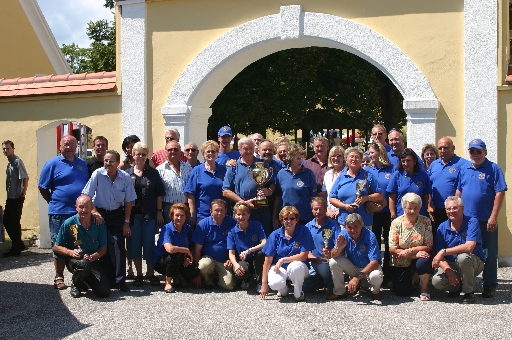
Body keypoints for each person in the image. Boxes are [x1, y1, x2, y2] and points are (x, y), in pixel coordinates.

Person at [456, 139, 506, 298]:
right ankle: (463, 284)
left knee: (490, 253)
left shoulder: (493, 168)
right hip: (468, 221)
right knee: (465, 252)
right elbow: (458, 192)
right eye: (472, 151)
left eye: (479, 151)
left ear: (485, 152)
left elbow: (500, 192)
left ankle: (489, 285)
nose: (475, 154)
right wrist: (458, 214)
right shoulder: (464, 168)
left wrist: (493, 216)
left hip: (486, 219)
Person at [38, 135, 90, 290]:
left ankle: (79, 276)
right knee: (59, 244)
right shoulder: (52, 164)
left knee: (78, 244)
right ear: (60, 146)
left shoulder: (82, 164)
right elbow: (42, 187)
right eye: (66, 144)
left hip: (78, 213)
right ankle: (59, 276)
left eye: (72, 145)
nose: (69, 148)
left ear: (77, 147)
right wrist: (54, 201)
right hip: (59, 212)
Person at [82, 150, 137, 292]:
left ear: (118, 163)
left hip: (118, 215)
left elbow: (129, 201)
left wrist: (126, 222)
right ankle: (107, 279)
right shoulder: (98, 174)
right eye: (106, 160)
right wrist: (94, 212)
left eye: (111, 161)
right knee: (103, 246)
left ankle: (120, 280)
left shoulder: (125, 177)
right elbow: (86, 195)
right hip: (100, 213)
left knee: (119, 244)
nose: (108, 163)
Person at [124, 142, 165, 287]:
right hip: (133, 217)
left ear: (147, 155)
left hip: (150, 215)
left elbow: (159, 194)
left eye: (143, 154)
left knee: (149, 244)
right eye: (137, 154)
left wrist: (159, 212)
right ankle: (139, 274)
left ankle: (150, 273)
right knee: (134, 245)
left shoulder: (153, 173)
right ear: (132, 155)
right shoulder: (126, 174)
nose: (140, 157)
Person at [53, 195, 110, 298]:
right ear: (76, 207)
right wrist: (70, 252)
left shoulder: (99, 223)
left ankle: (84, 280)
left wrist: (92, 257)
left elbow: (103, 249)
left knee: (104, 292)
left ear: (92, 207)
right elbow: (56, 247)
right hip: (75, 260)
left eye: (87, 207)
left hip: (92, 260)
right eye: (81, 207)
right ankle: (76, 284)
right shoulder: (69, 223)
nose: (84, 210)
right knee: (83, 265)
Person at [432, 196, 485, 304]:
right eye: (448, 209)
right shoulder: (442, 227)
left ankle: (468, 292)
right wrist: (448, 270)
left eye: (455, 208)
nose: (451, 211)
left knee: (463, 257)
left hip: (472, 262)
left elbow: (469, 247)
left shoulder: (472, 222)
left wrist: (444, 251)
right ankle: (456, 287)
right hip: (452, 264)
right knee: (437, 281)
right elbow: (438, 253)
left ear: (462, 208)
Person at [259, 206, 314, 302]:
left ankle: (298, 293)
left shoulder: (304, 231)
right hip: (279, 268)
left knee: (296, 266)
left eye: (292, 218)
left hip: (298, 268)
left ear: (296, 220)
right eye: (286, 219)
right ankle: (283, 289)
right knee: (275, 283)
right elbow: (267, 261)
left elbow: (303, 256)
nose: (289, 221)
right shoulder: (275, 235)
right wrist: (264, 284)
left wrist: (283, 259)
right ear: (282, 221)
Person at [223, 137, 273, 235]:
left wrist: (269, 191)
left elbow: (273, 183)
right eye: (245, 148)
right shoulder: (234, 166)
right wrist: (244, 203)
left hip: (261, 212)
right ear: (240, 149)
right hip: (241, 212)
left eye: (251, 148)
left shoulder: (262, 164)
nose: (248, 151)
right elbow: (225, 191)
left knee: (262, 241)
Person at [327, 213, 383, 300]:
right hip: (353, 266)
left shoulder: (370, 235)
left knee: (376, 276)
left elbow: (375, 262)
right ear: (345, 227)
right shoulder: (343, 234)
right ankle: (340, 291)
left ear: (361, 225)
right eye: (349, 227)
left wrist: (357, 277)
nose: (353, 230)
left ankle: (375, 291)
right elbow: (333, 255)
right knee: (333, 261)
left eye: (356, 226)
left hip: (368, 268)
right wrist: (339, 248)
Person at [389, 193, 433, 300]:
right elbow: (392, 248)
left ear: (420, 208)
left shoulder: (425, 221)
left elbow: (428, 245)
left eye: (416, 208)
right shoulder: (396, 223)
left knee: (425, 259)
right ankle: (414, 278)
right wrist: (413, 255)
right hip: (401, 259)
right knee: (403, 292)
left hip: (418, 255)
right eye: (409, 208)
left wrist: (410, 251)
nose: (412, 211)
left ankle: (425, 288)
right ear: (404, 208)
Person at [329, 147, 383, 229]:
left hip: (364, 222)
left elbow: (379, 195)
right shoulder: (341, 177)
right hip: (345, 222)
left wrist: (366, 198)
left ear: (361, 159)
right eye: (351, 157)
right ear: (346, 160)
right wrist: (344, 206)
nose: (354, 159)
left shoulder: (368, 176)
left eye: (357, 157)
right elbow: (332, 198)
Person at [153, 203, 199, 293]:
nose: (179, 218)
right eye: (177, 215)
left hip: (180, 259)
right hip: (162, 261)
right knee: (176, 254)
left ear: (186, 217)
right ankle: (168, 282)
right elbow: (170, 249)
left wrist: (188, 257)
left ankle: (177, 276)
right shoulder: (167, 228)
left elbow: (192, 246)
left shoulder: (188, 229)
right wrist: (185, 250)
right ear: (172, 216)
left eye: (182, 215)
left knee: (195, 271)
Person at [191, 199, 237, 290]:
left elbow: (238, 244)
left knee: (228, 286)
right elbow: (197, 250)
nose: (219, 213)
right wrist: (196, 273)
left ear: (226, 211)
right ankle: (208, 281)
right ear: (211, 211)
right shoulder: (202, 224)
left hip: (225, 261)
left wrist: (231, 259)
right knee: (204, 265)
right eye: (216, 210)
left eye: (221, 210)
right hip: (208, 259)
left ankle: (219, 278)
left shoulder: (233, 223)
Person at [366, 142, 394, 284]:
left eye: (372, 152)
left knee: (389, 242)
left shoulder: (391, 169)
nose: (370, 155)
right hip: (373, 212)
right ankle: (375, 271)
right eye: (369, 153)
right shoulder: (368, 170)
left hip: (388, 211)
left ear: (380, 152)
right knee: (374, 241)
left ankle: (388, 272)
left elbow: (393, 190)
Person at [428, 137, 468, 233]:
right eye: (440, 148)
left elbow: (465, 187)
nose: (442, 151)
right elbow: (428, 185)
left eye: (445, 147)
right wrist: (429, 204)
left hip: (453, 211)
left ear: (453, 148)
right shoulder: (434, 164)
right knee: (438, 238)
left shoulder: (463, 164)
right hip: (436, 210)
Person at [273, 143, 317, 226]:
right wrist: (274, 217)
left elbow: (313, 197)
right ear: (290, 158)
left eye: (302, 158)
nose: (301, 161)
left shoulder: (308, 173)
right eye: (297, 158)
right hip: (287, 218)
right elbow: (278, 197)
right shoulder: (281, 174)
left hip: (305, 217)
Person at [185, 140, 227, 226]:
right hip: (202, 215)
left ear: (217, 153)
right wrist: (192, 214)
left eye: (213, 151)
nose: (211, 153)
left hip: (221, 215)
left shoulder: (224, 170)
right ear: (203, 154)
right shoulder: (197, 170)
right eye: (208, 151)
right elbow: (190, 194)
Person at [227, 202, 266, 292]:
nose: (241, 217)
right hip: (243, 260)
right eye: (238, 214)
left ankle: (259, 282)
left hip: (256, 257)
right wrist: (236, 266)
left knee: (260, 254)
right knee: (240, 271)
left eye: (244, 214)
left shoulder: (257, 225)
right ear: (235, 216)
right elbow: (231, 254)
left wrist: (249, 250)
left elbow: (264, 242)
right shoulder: (232, 232)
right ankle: (246, 280)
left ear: (248, 215)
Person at [302, 197, 337, 294]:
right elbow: (304, 248)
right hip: (312, 262)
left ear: (326, 209)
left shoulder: (333, 226)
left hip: (327, 261)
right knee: (305, 287)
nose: (318, 211)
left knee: (323, 268)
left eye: (321, 209)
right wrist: (311, 257)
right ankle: (321, 282)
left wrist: (330, 253)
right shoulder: (308, 227)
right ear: (312, 210)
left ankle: (330, 285)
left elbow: (339, 247)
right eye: (315, 209)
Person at [387, 148, 431, 219]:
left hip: (419, 216)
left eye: (408, 161)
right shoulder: (397, 175)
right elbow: (392, 198)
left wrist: (427, 211)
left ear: (415, 161)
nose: (405, 164)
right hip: (401, 216)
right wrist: (393, 215)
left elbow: (426, 197)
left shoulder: (423, 175)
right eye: (403, 161)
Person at [2, 140, 29, 257]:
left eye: (7, 148)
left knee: (11, 222)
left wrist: (23, 192)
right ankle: (19, 244)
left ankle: (16, 248)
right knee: (9, 222)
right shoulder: (10, 162)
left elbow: (25, 178)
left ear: (13, 149)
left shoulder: (17, 161)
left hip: (16, 197)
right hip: (11, 196)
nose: (5, 151)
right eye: (3, 149)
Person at [157, 140, 192, 224]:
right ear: (165, 152)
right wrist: (159, 212)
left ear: (180, 151)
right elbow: (158, 193)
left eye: (176, 149)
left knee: (185, 234)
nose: (173, 152)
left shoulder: (188, 168)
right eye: (170, 150)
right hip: (168, 207)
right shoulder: (159, 170)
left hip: (185, 206)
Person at [322, 146, 345, 220]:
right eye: (333, 156)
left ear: (344, 158)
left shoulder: (348, 173)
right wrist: (327, 210)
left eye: (339, 156)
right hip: (330, 214)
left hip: (344, 212)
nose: (336, 158)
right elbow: (324, 195)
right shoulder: (327, 174)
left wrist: (340, 210)